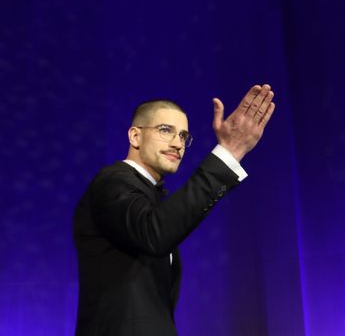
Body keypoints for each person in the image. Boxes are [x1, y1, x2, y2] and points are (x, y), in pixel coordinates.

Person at [73, 84, 275, 336]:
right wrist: (228, 153)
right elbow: (154, 232)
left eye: (183, 136)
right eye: (165, 130)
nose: (178, 144)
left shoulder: (152, 198)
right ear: (135, 136)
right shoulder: (112, 181)